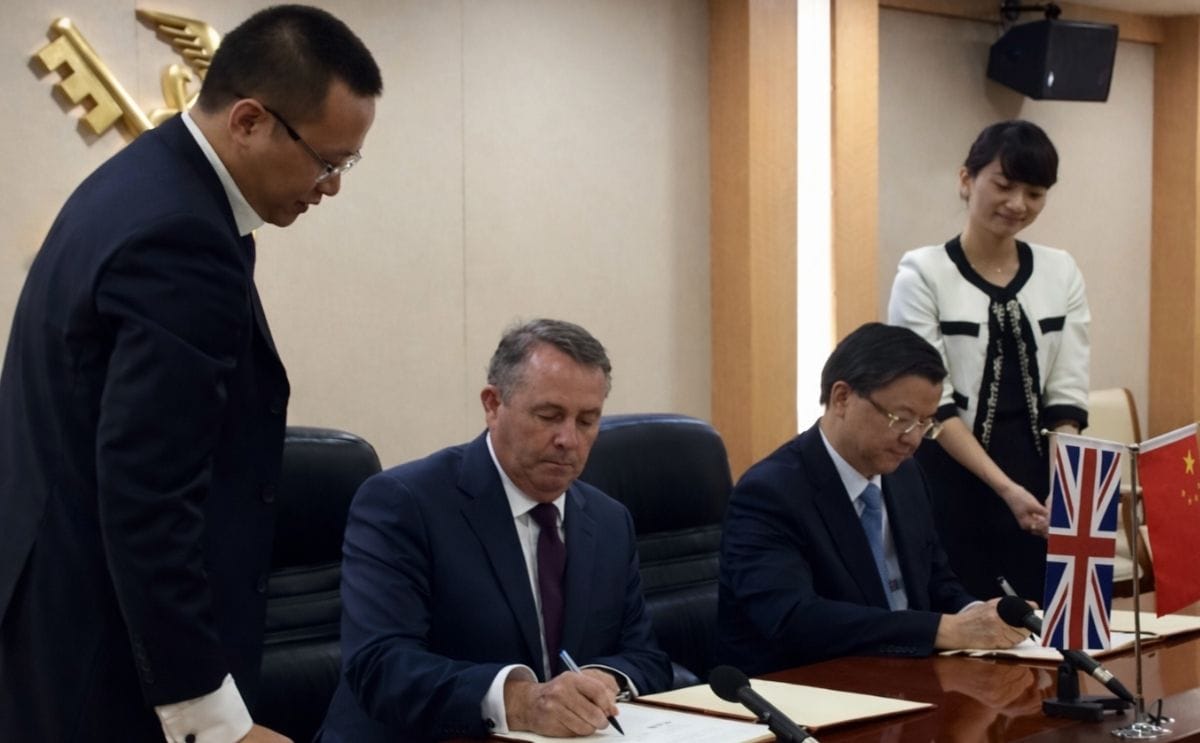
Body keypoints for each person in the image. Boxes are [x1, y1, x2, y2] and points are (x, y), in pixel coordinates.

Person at [0, 6, 381, 742]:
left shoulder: (140, 185)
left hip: (57, 629)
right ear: (248, 121)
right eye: (327, 161)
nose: (331, 187)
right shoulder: (182, 237)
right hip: (107, 666)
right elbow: (147, 495)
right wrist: (208, 717)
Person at [317, 319, 671, 742]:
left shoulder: (609, 520)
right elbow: (381, 665)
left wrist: (604, 679)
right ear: (492, 404)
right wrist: (522, 701)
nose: (568, 440)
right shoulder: (403, 503)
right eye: (549, 415)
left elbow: (646, 657)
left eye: (587, 421)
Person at [716, 323, 1028, 675]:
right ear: (842, 398)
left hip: (910, 676)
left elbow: (936, 582)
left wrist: (978, 615)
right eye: (902, 419)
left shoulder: (905, 475)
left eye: (926, 423)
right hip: (810, 689)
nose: (912, 440)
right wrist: (944, 629)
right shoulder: (770, 493)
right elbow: (793, 619)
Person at [887, 119, 1089, 603]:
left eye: (1035, 193)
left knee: (1053, 625)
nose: (1018, 204)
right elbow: (932, 405)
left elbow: (1067, 395)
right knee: (966, 629)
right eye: (1003, 185)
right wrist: (1004, 488)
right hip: (951, 475)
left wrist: (1067, 488)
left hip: (1039, 480)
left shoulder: (1060, 271)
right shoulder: (922, 273)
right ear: (966, 180)